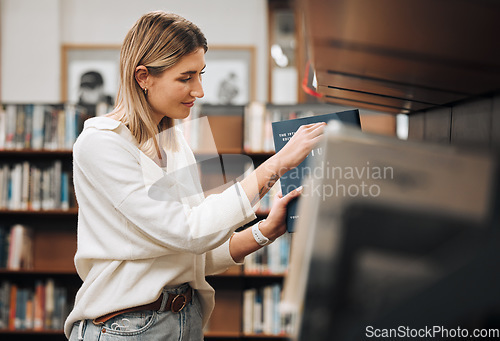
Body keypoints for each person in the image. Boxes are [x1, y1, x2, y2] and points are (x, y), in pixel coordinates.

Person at [65, 11, 325, 341]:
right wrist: (276, 164)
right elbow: (189, 232)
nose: (199, 90)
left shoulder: (172, 142)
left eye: (200, 74)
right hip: (126, 329)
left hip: (184, 320)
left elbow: (190, 255)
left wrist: (263, 232)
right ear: (143, 76)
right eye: (186, 77)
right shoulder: (101, 144)